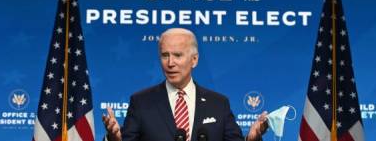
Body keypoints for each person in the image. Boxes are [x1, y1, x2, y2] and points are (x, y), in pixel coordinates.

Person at [102, 28, 268, 141]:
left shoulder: (218, 104)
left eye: (177, 55)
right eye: (165, 55)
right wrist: (114, 139)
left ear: (194, 60)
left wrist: (252, 139)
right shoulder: (141, 102)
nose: (170, 63)